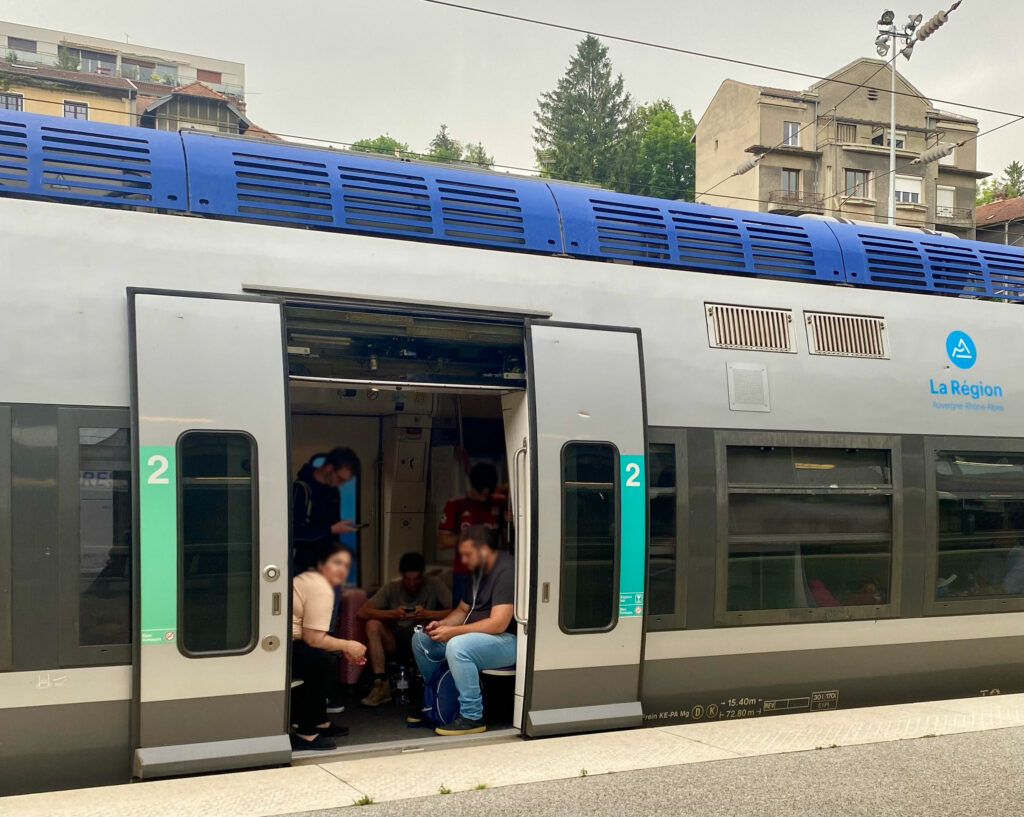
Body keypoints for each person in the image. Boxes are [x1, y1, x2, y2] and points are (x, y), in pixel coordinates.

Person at [410, 525, 516, 736]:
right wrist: (443, 624)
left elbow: (498, 624)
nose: (464, 560)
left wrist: (454, 632)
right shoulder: (478, 572)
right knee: (420, 640)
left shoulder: (506, 571)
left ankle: (472, 717)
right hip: (476, 639)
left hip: (508, 641)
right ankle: (438, 701)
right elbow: (462, 609)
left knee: (459, 646)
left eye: (468, 554)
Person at [291, 542, 367, 751]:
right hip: (285, 646)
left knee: (323, 657)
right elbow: (314, 638)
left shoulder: (309, 579)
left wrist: (342, 648)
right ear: (321, 564)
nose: (342, 569)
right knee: (321, 662)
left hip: (289, 645)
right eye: (336, 563)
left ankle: (320, 722)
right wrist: (349, 646)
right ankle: (306, 733)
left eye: (346, 565)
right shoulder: (320, 588)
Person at [356, 552, 453, 707]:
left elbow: (455, 611)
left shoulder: (434, 584)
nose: (412, 584)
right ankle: (381, 683)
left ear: (423, 576)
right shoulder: (392, 587)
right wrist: (392, 614)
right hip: (395, 641)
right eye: (408, 580)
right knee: (372, 624)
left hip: (424, 639)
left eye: (416, 579)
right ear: (402, 576)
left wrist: (427, 613)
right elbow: (362, 612)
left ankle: (433, 688)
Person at [437, 462, 506, 604]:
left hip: (492, 571)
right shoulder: (455, 504)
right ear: (472, 487)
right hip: (465, 572)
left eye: (487, 494)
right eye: (480, 493)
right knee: (463, 615)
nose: (484, 497)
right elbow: (443, 542)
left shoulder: (500, 502)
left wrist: (509, 519)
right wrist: (470, 537)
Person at [292, 447, 360, 573]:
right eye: (340, 479)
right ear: (329, 468)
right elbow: (295, 535)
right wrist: (331, 530)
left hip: (325, 564)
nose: (342, 484)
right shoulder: (301, 490)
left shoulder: (333, 492)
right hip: (303, 566)